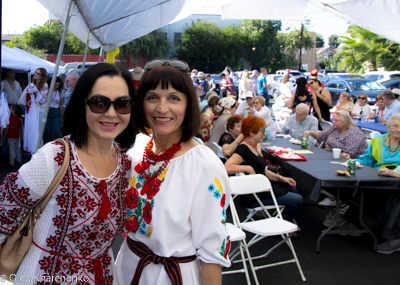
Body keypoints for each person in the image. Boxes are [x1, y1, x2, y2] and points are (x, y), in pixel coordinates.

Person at [0, 63, 137, 283]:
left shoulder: (127, 166)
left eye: (122, 103)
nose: (112, 113)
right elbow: (4, 212)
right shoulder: (54, 157)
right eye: (99, 102)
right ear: (82, 104)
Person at [116, 59, 231, 284]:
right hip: (126, 269)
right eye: (152, 97)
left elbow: (211, 253)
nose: (161, 108)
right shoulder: (136, 148)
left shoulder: (204, 164)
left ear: (188, 105)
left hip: (169, 277)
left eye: (174, 98)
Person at [224, 115, 304, 222]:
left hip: (262, 189)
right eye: (262, 130)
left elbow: (262, 170)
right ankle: (284, 222)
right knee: (298, 199)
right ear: (252, 132)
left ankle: (280, 220)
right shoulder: (243, 149)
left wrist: (281, 178)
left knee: (295, 188)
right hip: (256, 195)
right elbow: (227, 167)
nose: (264, 133)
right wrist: (248, 168)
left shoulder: (252, 146)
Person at [340, 114, 400, 251]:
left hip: (397, 181)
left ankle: (395, 238)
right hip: (379, 177)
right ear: (389, 127)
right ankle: (355, 224)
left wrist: (395, 174)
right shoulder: (378, 140)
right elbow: (367, 160)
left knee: (395, 199)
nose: (398, 129)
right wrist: (353, 162)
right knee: (362, 188)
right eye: (395, 125)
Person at [18, 67, 48, 154]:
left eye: (38, 74)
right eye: (35, 72)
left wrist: (35, 92)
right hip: (31, 112)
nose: (35, 74)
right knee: (31, 131)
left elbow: (43, 101)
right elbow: (22, 100)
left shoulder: (45, 86)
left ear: (42, 76)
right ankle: (33, 152)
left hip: (40, 112)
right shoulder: (31, 85)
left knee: (37, 133)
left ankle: (39, 153)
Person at [44, 76, 64, 144]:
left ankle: (56, 145)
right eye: (55, 85)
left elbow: (61, 104)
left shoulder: (60, 92)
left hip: (56, 112)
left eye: (57, 85)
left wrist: (62, 115)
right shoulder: (46, 90)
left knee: (56, 131)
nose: (56, 86)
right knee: (46, 131)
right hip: (47, 112)